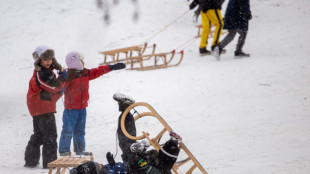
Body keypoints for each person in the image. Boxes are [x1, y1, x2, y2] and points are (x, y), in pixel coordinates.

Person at [58, 51, 126, 156]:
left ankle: (80, 149)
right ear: (75, 62)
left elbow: (98, 71)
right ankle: (64, 150)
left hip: (82, 108)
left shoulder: (85, 73)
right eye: (81, 60)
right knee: (68, 130)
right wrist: (61, 79)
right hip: (70, 109)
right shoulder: (67, 75)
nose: (83, 62)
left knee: (80, 130)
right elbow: (58, 89)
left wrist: (111, 67)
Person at [25, 45, 66, 169]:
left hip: (38, 108)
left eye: (50, 59)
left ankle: (31, 160)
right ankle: (50, 164)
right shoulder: (41, 73)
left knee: (39, 135)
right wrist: (61, 79)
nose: (48, 61)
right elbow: (54, 87)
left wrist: (60, 81)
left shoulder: (46, 72)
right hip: (42, 109)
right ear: (39, 61)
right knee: (50, 137)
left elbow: (53, 91)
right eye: (45, 59)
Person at [69, 132, 182, 174]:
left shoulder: (105, 169)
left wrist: (112, 163)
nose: (100, 164)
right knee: (159, 166)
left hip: (134, 167)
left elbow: (115, 168)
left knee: (152, 157)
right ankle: (173, 144)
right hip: (137, 170)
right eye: (98, 166)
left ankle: (169, 145)